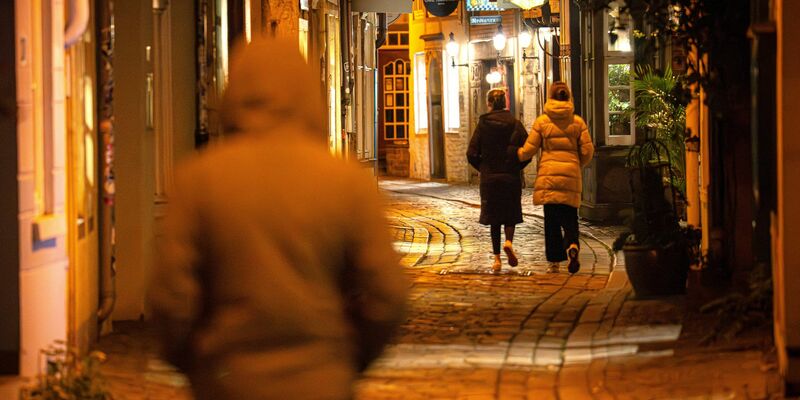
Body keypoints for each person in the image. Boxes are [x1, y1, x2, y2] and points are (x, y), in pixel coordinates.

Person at [147, 37, 408, 400]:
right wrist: (350, 357)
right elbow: (387, 293)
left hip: (228, 380)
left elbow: (171, 295)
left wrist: (194, 361)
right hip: (321, 379)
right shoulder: (345, 180)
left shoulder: (200, 180)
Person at [517, 82, 594, 274]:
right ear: (568, 97)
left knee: (551, 222)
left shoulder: (542, 122)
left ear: (549, 97)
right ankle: (572, 246)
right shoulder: (577, 122)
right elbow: (587, 150)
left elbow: (530, 149)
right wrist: (577, 163)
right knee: (570, 218)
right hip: (571, 176)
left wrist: (516, 155)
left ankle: (554, 261)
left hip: (549, 177)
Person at [467, 89, 530, 273]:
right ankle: (509, 242)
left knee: (494, 218)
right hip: (510, 177)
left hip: (490, 178)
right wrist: (517, 166)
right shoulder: (515, 124)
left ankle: (496, 259)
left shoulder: (483, 124)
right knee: (510, 214)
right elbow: (527, 151)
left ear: (489, 103)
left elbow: (471, 153)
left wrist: (483, 168)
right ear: (505, 103)